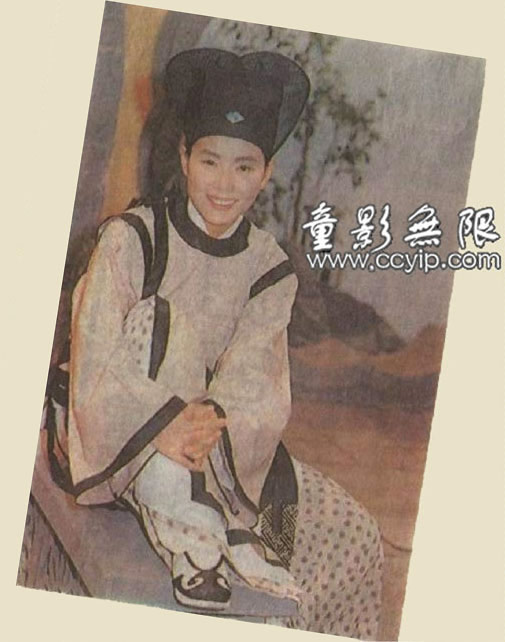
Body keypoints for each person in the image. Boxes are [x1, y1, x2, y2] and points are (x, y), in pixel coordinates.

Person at [65, 48, 383, 638]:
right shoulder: (133, 239)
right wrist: (162, 424)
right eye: (210, 161)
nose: (225, 184)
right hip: (128, 440)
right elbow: (96, 357)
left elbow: (257, 382)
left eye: (244, 167)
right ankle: (196, 545)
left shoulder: (269, 267)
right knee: (161, 322)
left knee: (354, 531)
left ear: (266, 172)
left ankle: (238, 548)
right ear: (184, 156)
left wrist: (199, 427)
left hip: (226, 453)